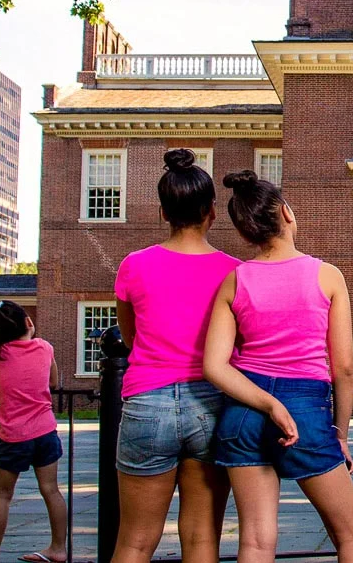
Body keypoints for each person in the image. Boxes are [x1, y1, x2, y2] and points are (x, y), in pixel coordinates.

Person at [202, 169, 353, 563]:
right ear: (287, 214)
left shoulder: (234, 280)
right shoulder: (327, 276)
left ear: (245, 234)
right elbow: (343, 368)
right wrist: (340, 433)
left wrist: (265, 403)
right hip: (306, 411)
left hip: (243, 411)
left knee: (257, 542)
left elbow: (215, 365)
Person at [113, 148, 239, 563]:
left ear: (162, 212)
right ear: (212, 212)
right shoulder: (235, 272)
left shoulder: (134, 266)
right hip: (212, 405)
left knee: (133, 542)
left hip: (148, 404)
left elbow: (130, 337)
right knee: (203, 541)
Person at [0, 301, 67, 563]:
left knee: (2, 495)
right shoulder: (45, 348)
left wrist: (0, 381)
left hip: (13, 435)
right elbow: (54, 382)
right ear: (28, 323)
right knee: (51, 490)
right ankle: (58, 548)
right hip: (45, 431)